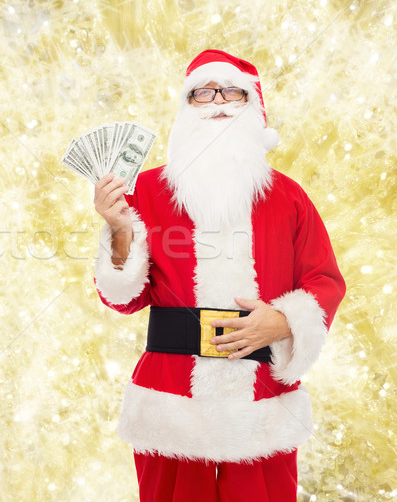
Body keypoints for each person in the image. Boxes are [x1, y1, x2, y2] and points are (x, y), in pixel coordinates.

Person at [93, 50, 345, 501]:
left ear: (253, 108)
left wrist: (285, 321)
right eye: (202, 93)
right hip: (170, 402)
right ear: (184, 110)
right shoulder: (146, 190)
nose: (218, 103)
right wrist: (117, 231)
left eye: (232, 92)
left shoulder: (288, 197)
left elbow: (324, 280)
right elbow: (123, 298)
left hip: (260, 401)